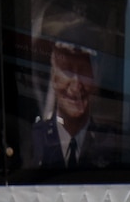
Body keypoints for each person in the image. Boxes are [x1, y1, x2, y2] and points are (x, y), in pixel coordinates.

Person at [22, 14, 119, 170]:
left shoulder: (111, 144)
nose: (75, 86)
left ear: (96, 81)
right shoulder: (32, 141)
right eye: (67, 70)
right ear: (53, 76)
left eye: (84, 71)